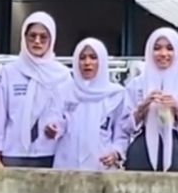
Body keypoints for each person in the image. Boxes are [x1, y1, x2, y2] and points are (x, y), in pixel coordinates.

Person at [0, 12, 71, 169]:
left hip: (50, 151)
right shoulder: (9, 72)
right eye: (32, 36)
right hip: (14, 152)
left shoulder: (62, 75)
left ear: (51, 39)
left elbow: (69, 114)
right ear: (24, 37)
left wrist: (58, 128)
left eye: (43, 37)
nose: (37, 41)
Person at [120, 27, 178, 173]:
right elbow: (124, 125)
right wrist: (142, 107)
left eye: (169, 48)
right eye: (157, 48)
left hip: (176, 146)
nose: (163, 54)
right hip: (142, 148)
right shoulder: (136, 84)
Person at [53, 38, 127, 171]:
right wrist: (54, 127)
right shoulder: (64, 91)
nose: (87, 63)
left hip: (102, 167)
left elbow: (122, 134)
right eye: (82, 58)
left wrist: (115, 153)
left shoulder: (116, 94)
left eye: (93, 57)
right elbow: (56, 122)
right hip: (67, 166)